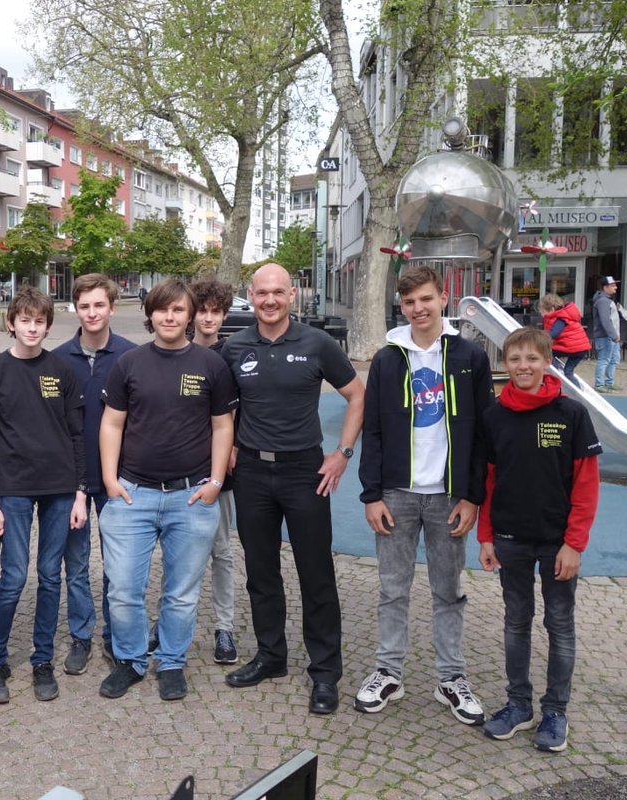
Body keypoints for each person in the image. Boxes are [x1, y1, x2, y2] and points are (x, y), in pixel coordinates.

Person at [221, 263, 364, 716]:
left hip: (305, 472)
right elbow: (221, 409)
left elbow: (357, 395)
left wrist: (342, 452)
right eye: (261, 293)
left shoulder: (317, 344)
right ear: (251, 294)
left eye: (278, 292)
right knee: (261, 574)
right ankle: (271, 656)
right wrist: (226, 450)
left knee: (315, 574)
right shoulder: (234, 347)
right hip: (251, 474)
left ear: (292, 295)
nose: (269, 300)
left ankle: (325, 673)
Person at [356, 264, 492, 726]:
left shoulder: (470, 357)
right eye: (409, 302)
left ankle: (450, 678)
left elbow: (482, 435)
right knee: (392, 589)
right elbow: (372, 430)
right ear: (402, 305)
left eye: (426, 299)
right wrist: (371, 494)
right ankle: (388, 671)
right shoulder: (387, 358)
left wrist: (472, 496)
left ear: (443, 299)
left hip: (447, 497)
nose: (418, 309)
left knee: (448, 591)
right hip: (396, 493)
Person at [97, 280, 237, 701]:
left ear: (191, 314)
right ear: (151, 314)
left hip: (191, 498)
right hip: (132, 494)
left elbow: (222, 426)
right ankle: (132, 659)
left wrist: (215, 483)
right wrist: (109, 480)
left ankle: (172, 661)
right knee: (122, 589)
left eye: (178, 310)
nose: (170, 317)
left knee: (181, 592)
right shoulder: (129, 363)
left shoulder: (211, 366)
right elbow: (112, 423)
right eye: (162, 310)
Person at [477, 327, 601, 752]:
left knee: (559, 624)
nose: (523, 367)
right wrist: (487, 536)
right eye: (515, 360)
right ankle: (518, 705)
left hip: (557, 543)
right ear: (505, 364)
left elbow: (586, 485)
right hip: (511, 538)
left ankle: (555, 710)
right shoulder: (494, 416)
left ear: (547, 362)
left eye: (532, 359)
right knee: (516, 621)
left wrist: (574, 543)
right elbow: (489, 482)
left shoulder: (571, 414)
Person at [0, 287, 87, 704]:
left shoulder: (62, 370)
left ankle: (42, 660)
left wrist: (80, 494)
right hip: (14, 488)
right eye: (25, 320)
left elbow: (78, 436)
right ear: (11, 324)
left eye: (39, 321)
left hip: (59, 489)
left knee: (50, 576)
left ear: (48, 325)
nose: (32, 327)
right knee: (14, 577)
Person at [52, 273, 136, 674]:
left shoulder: (132, 357)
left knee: (118, 568)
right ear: (75, 309)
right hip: (71, 482)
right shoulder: (56, 360)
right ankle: (81, 635)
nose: (91, 313)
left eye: (99, 305)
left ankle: (115, 636)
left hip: (118, 479)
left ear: (112, 308)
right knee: (77, 563)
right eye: (84, 306)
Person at [189, 278, 240, 664]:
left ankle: (225, 627)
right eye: (202, 310)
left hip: (219, 468)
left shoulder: (233, 354)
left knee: (222, 551)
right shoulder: (177, 350)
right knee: (180, 552)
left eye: (215, 312)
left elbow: (242, 408)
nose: (208, 318)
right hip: (182, 467)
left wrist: (232, 447)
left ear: (223, 315)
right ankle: (174, 621)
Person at [537, 293, 590, 387]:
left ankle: (555, 371)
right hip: (582, 348)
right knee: (568, 372)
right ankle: (577, 391)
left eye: (543, 311)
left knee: (546, 352)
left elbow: (553, 333)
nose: (542, 314)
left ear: (552, 309)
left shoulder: (561, 318)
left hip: (572, 347)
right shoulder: (566, 316)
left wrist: (538, 335)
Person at [591, 276, 622, 392]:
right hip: (606, 336)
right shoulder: (603, 301)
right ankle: (599, 384)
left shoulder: (605, 300)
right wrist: (613, 335)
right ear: (605, 287)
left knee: (613, 359)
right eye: (613, 285)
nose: (616, 287)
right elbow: (605, 320)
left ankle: (609, 382)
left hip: (610, 336)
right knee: (604, 359)